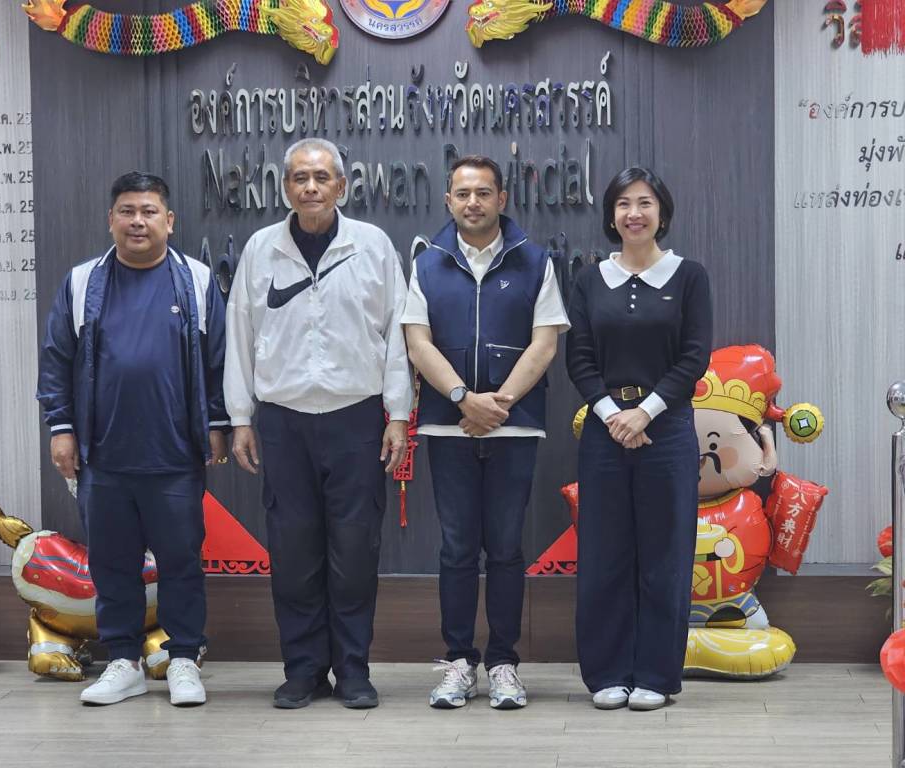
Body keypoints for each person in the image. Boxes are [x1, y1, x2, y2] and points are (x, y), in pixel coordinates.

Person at [224, 138, 412, 710]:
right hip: (283, 422)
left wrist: (397, 414)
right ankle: (303, 669)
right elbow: (240, 335)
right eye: (299, 178)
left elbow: (398, 335)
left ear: (342, 186)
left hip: (357, 419)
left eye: (321, 177)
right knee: (293, 551)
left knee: (355, 550)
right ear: (285, 187)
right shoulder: (261, 249)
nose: (310, 187)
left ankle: (353, 669)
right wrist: (240, 417)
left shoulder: (372, 246)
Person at [36, 171, 229, 707]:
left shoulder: (195, 280)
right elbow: (56, 360)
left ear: (169, 220)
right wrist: (61, 427)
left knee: (181, 560)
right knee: (112, 562)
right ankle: (123, 661)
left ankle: (184, 657)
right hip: (103, 455)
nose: (137, 221)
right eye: (127, 211)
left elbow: (219, 361)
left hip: (175, 454)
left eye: (148, 211)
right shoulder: (82, 282)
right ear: (111, 220)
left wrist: (217, 424)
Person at [402, 155, 569, 710]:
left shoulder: (535, 261)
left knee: (504, 547)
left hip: (512, 428)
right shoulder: (427, 263)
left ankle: (502, 663)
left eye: (483, 192)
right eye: (462, 193)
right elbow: (417, 342)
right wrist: (462, 399)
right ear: (447, 201)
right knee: (455, 548)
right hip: (448, 426)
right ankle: (458, 662)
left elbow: (545, 342)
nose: (472, 202)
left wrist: (498, 406)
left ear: (502, 198)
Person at [565, 166, 712, 711]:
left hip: (666, 429)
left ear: (662, 213)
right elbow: (579, 358)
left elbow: (694, 357)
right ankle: (607, 673)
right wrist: (613, 416)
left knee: (665, 554)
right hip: (604, 431)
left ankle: (655, 674)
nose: (634, 213)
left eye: (645, 203)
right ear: (611, 215)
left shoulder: (688, 276)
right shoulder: (588, 280)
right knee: (604, 553)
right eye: (624, 203)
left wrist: (644, 413)